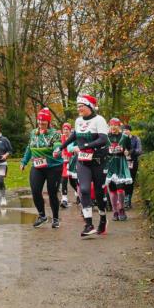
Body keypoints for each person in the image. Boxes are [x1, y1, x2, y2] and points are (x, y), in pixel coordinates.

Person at [60, 94, 109, 237]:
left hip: (98, 161)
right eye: (78, 106)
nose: (79, 109)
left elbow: (103, 139)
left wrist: (85, 146)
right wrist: (61, 147)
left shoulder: (99, 120)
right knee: (85, 190)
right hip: (83, 162)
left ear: (90, 106)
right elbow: (74, 136)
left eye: (82, 106)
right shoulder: (78, 121)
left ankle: (103, 218)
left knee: (99, 193)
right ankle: (89, 224)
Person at [20, 108, 64, 229]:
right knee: (35, 191)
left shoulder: (54, 133)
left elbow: (58, 144)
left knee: (52, 193)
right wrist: (24, 161)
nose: (40, 123)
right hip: (37, 166)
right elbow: (30, 147)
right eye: (39, 120)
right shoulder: (34, 132)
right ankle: (42, 216)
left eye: (43, 120)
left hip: (53, 167)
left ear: (48, 121)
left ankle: (55, 218)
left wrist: (56, 149)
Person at [105, 118, 133, 221]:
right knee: (112, 190)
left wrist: (127, 152)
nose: (113, 127)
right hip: (110, 164)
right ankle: (115, 211)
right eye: (111, 125)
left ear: (119, 126)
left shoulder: (124, 137)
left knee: (120, 189)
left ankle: (121, 209)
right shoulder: (106, 137)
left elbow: (130, 148)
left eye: (115, 125)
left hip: (121, 164)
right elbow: (102, 149)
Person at [123, 124, 143, 209]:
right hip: (122, 162)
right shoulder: (121, 139)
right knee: (123, 181)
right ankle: (124, 199)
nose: (125, 131)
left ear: (130, 130)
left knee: (130, 181)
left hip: (132, 162)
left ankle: (128, 200)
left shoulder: (136, 139)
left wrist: (131, 152)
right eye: (124, 130)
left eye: (127, 130)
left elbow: (139, 150)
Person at [59, 122, 76, 209]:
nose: (65, 131)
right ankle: (64, 199)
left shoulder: (73, 138)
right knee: (64, 179)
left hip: (73, 161)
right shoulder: (61, 137)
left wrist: (72, 155)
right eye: (64, 129)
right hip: (64, 161)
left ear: (70, 130)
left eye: (67, 129)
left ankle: (79, 194)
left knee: (73, 180)